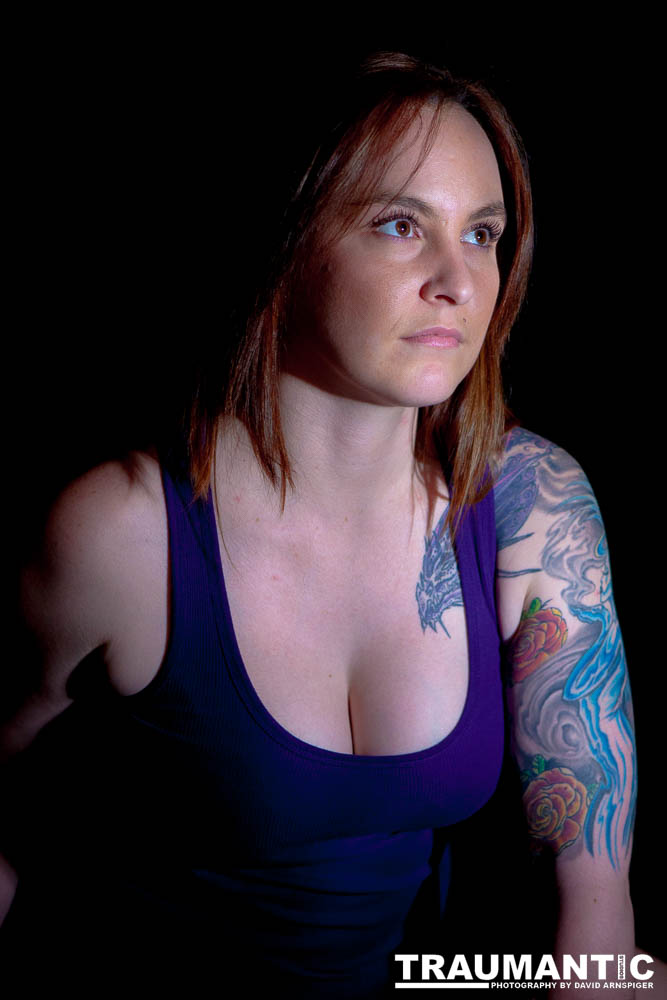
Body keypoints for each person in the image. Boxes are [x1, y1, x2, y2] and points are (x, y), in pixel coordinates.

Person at [1, 52, 644, 995]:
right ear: (290, 239)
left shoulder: (529, 501)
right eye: (399, 225)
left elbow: (593, 902)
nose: (458, 281)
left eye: (481, 234)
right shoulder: (124, 533)